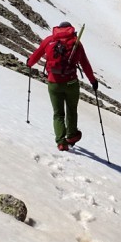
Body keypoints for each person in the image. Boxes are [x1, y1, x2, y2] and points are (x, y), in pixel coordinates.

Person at [27, 21, 98, 151]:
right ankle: (71, 136)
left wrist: (29, 63)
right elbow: (85, 65)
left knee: (58, 113)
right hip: (71, 82)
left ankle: (61, 142)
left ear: (58, 29)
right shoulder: (76, 43)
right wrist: (93, 81)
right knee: (71, 110)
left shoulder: (49, 41)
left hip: (54, 83)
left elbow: (36, 55)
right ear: (71, 29)